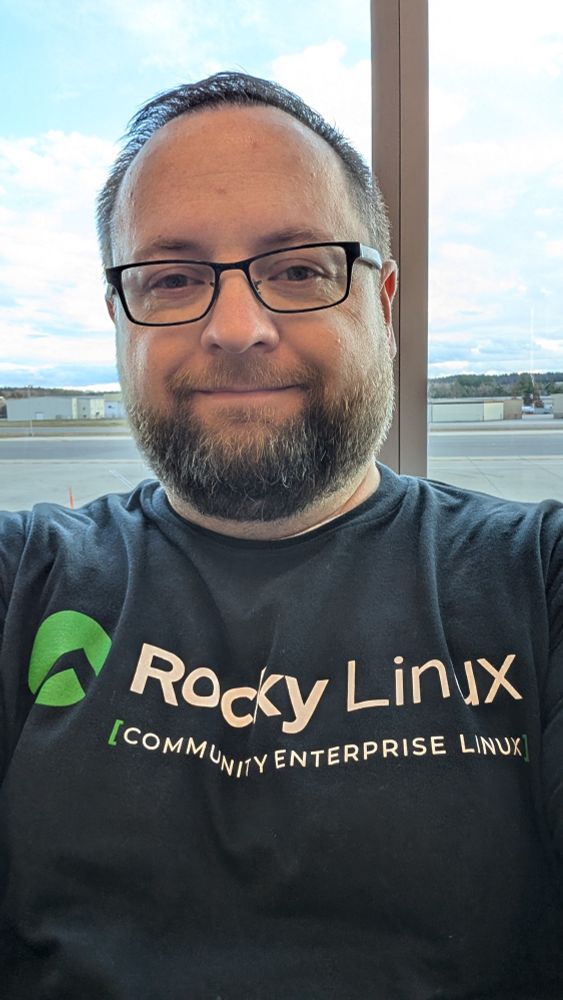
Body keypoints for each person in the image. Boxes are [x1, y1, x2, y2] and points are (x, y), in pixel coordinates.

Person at [1, 71, 562, 1000]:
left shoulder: (534, 580)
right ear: (118, 323)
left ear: (380, 305)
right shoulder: (30, 582)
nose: (236, 327)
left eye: (299, 267)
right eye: (171, 278)